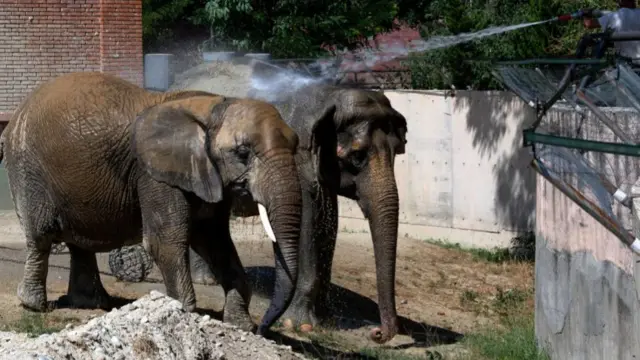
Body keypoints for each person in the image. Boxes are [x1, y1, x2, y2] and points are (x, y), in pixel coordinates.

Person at [582, 0, 640, 64]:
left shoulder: (615, 16)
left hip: (626, 61)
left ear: (620, 2)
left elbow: (589, 24)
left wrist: (584, 15)